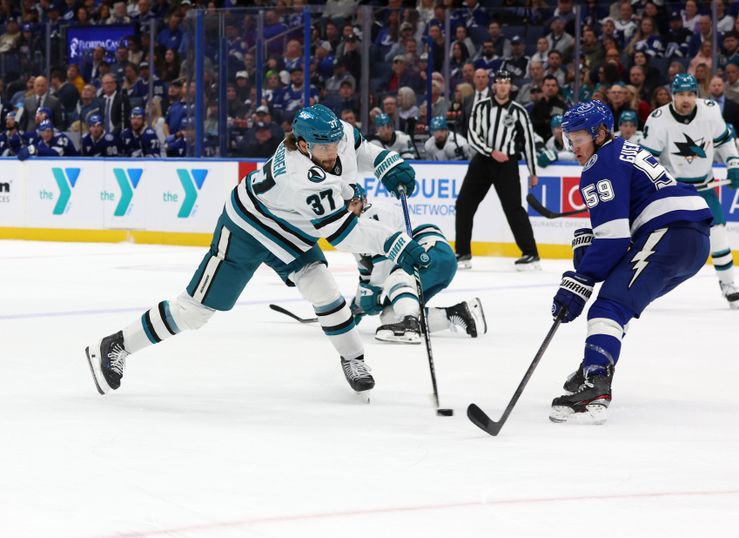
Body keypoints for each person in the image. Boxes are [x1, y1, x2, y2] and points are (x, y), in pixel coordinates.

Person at [84, 104, 427, 400]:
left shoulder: (334, 137)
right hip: (248, 227)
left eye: (335, 143)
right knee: (193, 312)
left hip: (290, 228)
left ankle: (352, 357)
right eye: (325, 147)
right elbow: (342, 234)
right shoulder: (302, 177)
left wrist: (387, 162)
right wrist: (397, 244)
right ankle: (116, 344)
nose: (333, 152)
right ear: (304, 146)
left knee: (322, 286)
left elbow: (362, 149)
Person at [548, 99, 712, 425]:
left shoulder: (599, 164)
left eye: (578, 138)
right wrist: (594, 250)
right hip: (692, 242)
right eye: (569, 139)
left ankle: (596, 381)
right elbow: (620, 233)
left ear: (599, 133)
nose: (573, 147)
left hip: (669, 233)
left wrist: (580, 279)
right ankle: (595, 361)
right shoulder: (623, 149)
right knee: (619, 302)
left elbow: (613, 240)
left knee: (608, 304)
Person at [641, 74, 739, 309]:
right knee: (660, 240)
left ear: (697, 95)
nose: (685, 99)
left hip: (704, 187)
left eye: (690, 94)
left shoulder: (710, 111)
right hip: (674, 191)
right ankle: (645, 285)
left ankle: (728, 284)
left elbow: (724, 141)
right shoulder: (658, 119)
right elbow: (647, 158)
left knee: (718, 236)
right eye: (680, 94)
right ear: (672, 95)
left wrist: (734, 162)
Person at [345, 184, 486, 343]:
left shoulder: (372, 213)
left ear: (364, 201)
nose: (351, 210)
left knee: (396, 278)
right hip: (432, 266)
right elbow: (367, 275)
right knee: (390, 315)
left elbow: (383, 267)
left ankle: (409, 325)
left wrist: (371, 297)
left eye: (355, 203)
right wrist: (356, 307)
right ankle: (458, 313)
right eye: (347, 205)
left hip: (431, 251)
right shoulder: (353, 234)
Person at [456, 70, 541, 271]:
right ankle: (462, 252)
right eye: (500, 82)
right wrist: (491, 151)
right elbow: (472, 135)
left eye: (506, 82)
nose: (503, 86)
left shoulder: (519, 111)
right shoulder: (481, 107)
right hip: (483, 161)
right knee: (464, 204)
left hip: (507, 164)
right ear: (494, 85)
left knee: (513, 208)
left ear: (510, 86)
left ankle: (531, 253)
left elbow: (528, 141)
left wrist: (533, 172)